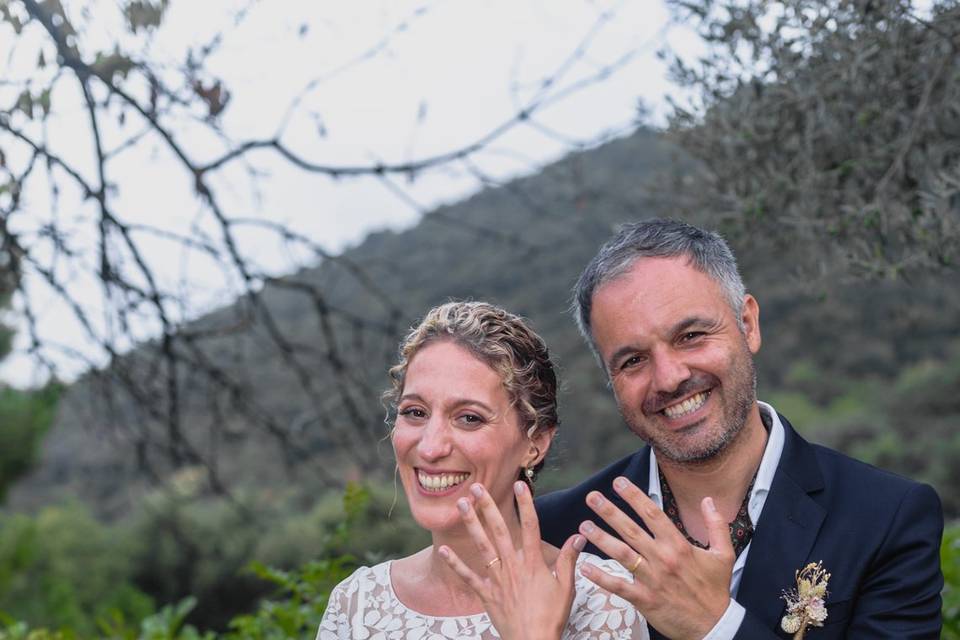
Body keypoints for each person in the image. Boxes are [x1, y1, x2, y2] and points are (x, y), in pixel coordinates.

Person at [536, 219, 944, 639]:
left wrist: (716, 625)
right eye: (633, 361)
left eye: (690, 336)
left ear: (748, 324)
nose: (669, 378)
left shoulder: (885, 518)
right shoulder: (555, 530)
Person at [317, 301, 649, 639]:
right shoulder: (356, 605)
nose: (431, 448)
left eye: (469, 418)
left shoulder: (606, 603)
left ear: (535, 442)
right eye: (415, 412)